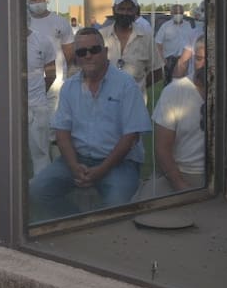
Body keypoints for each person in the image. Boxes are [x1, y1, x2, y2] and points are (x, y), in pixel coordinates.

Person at [28, 27, 151, 220]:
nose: (88, 56)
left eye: (94, 50)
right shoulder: (69, 87)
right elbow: (62, 132)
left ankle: (104, 239)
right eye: (81, 52)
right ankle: (76, 223)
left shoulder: (126, 85)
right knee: (36, 190)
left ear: (105, 52)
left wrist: (101, 170)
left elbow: (131, 137)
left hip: (119, 163)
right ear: (76, 56)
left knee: (116, 206)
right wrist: (74, 165)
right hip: (77, 160)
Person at [150, 38, 227, 195]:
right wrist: (180, 185)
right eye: (200, 59)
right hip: (178, 173)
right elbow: (162, 148)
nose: (206, 65)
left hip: (223, 177)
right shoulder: (174, 92)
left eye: (214, 59)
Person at [0, 23, 57, 175]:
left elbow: (51, 74)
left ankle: (41, 188)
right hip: (12, 107)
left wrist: (36, 93)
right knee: (12, 151)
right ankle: (14, 191)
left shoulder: (42, 41)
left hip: (37, 105)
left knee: (40, 150)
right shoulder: (1, 44)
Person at [100, 0, 160, 101]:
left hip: (135, 104)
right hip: (105, 104)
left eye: (129, 10)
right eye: (121, 9)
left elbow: (157, 71)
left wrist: (137, 88)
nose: (125, 13)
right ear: (114, 10)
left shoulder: (146, 38)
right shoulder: (101, 36)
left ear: (136, 11)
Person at [26, 0, 75, 116]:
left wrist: (61, 73)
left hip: (57, 81)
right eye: (33, 0)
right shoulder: (24, 22)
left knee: (55, 121)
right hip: (32, 82)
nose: (37, 3)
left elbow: (69, 52)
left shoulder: (60, 21)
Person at [154, 4, 199, 85]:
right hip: (170, 60)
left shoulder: (188, 25)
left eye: (180, 13)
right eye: (176, 13)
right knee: (170, 85)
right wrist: (162, 60)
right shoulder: (165, 27)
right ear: (171, 14)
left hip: (185, 60)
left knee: (185, 85)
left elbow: (192, 41)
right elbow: (158, 43)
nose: (178, 15)